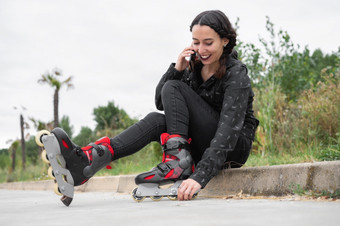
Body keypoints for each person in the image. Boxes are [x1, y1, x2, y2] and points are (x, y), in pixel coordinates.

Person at [45, 10, 259, 202]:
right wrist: (177, 68)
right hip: (202, 144)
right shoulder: (193, 67)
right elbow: (161, 102)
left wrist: (200, 177)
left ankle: (178, 162)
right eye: (195, 42)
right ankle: (88, 161)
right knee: (157, 119)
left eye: (208, 43)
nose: (201, 49)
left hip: (232, 149)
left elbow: (228, 131)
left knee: (174, 88)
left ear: (225, 41)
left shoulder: (236, 74)